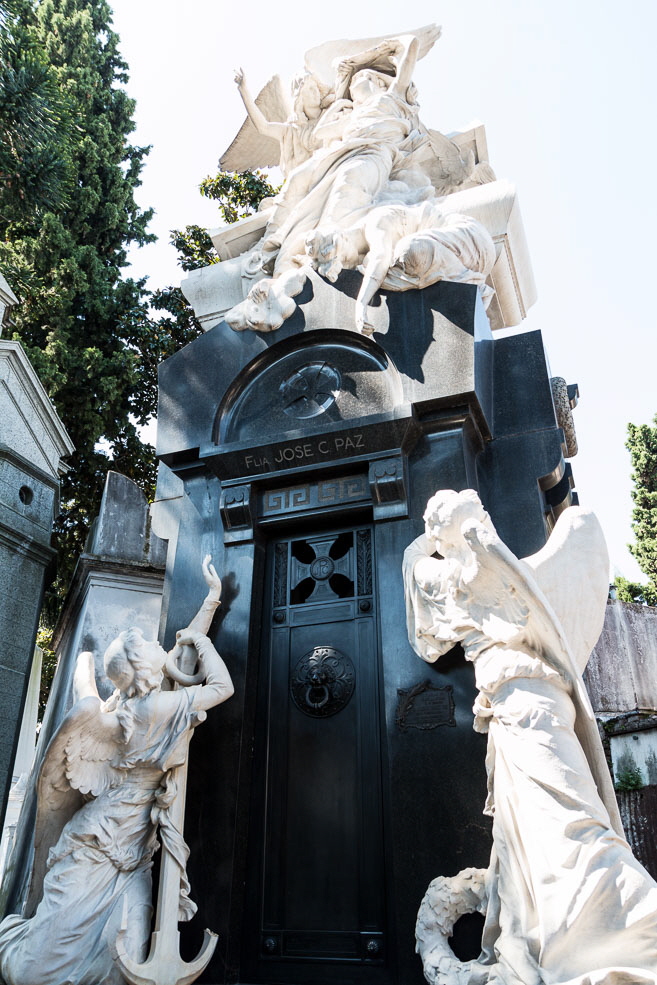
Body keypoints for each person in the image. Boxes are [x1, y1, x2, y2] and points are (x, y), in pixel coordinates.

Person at [403, 490, 657, 985]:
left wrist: (427, 544)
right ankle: (570, 933)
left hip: (531, 707)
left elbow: (419, 591)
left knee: (570, 822)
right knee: (544, 829)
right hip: (524, 705)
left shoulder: (465, 575)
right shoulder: (505, 574)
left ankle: (630, 929)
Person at [0, 557, 233, 985]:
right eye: (147, 644)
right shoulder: (155, 710)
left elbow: (177, 650)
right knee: (32, 972)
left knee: (122, 957)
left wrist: (212, 600)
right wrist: (202, 646)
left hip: (134, 854)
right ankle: (12, 941)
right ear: (144, 667)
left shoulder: (138, 704)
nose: (155, 643)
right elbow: (221, 687)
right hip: (99, 847)